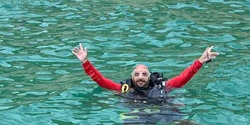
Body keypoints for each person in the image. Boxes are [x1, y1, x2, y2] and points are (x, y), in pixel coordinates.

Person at [72, 43, 217, 100]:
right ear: (131, 78)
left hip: (162, 111)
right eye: (136, 74)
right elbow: (100, 80)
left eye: (144, 74)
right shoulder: (124, 88)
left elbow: (184, 77)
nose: (140, 77)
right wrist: (85, 62)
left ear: (149, 76)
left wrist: (201, 61)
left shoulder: (162, 86)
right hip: (138, 115)